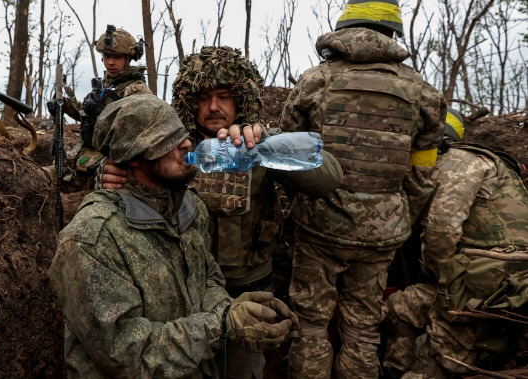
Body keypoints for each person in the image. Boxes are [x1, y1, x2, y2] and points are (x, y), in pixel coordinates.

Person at [101, 45, 343, 379]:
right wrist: (109, 172)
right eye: (203, 98)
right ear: (189, 100)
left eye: (225, 96)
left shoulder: (256, 143)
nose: (214, 107)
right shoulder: (169, 150)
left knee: (242, 370)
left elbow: (329, 176)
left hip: (247, 286)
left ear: (241, 98)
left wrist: (266, 145)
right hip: (183, 291)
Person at [48, 94, 298, 378]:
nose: (187, 143)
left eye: (181, 134)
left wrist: (236, 310)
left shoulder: (188, 206)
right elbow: (126, 354)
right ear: (134, 157)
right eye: (166, 140)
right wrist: (222, 325)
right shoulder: (92, 240)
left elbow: (207, 280)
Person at [277, 1, 447, 377]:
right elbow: (421, 177)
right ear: (392, 33)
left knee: (310, 326)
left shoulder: (315, 80)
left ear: (343, 28)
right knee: (362, 329)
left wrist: (304, 206)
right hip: (382, 235)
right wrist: (399, 220)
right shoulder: (423, 92)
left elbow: (288, 157)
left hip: (319, 228)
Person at [383, 107, 528, 378]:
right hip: (486, 275)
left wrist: (431, 273)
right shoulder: (474, 162)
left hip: (488, 281)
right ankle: (393, 367)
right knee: (399, 308)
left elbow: (442, 231)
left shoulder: (458, 163)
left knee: (440, 358)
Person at [48, 25, 152, 176]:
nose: (110, 62)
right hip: (86, 153)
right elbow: (86, 116)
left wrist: (104, 114)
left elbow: (141, 134)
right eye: (107, 56)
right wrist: (65, 106)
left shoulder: (137, 90)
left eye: (117, 57)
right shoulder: (104, 85)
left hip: (113, 164)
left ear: (128, 58)